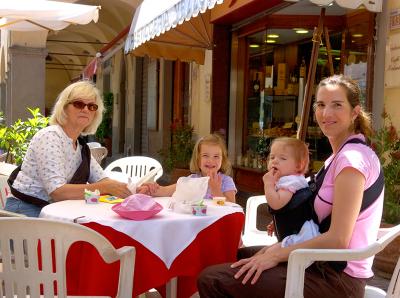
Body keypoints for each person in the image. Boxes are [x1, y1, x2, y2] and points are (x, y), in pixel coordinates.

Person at [197, 75, 384, 297]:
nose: (326, 113)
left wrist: (277, 255)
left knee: (213, 280)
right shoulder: (338, 157)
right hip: (317, 263)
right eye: (321, 105)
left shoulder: (352, 160)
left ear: (355, 112)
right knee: (233, 256)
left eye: (337, 105)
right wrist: (289, 221)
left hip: (337, 278)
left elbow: (338, 239)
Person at [5, 81, 151, 217]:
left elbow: (103, 180)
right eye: (79, 104)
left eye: (92, 106)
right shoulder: (51, 136)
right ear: (64, 108)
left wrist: (133, 189)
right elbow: (57, 192)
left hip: (53, 210)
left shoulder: (80, 147)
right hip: (26, 210)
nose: (86, 109)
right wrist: (106, 187)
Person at [264, 137, 319, 247]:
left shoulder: (290, 182)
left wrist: (268, 184)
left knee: (263, 255)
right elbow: (289, 208)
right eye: (272, 157)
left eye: (283, 158)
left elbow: (276, 204)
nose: (275, 161)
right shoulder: (293, 179)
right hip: (296, 230)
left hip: (299, 238)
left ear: (298, 165)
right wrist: (278, 221)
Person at [153, 133, 237, 202]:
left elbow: (232, 207)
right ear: (197, 159)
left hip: (217, 222)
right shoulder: (192, 180)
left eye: (216, 156)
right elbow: (165, 191)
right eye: (205, 155)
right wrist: (151, 189)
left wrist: (216, 190)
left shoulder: (226, 181)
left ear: (223, 160)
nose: (211, 160)